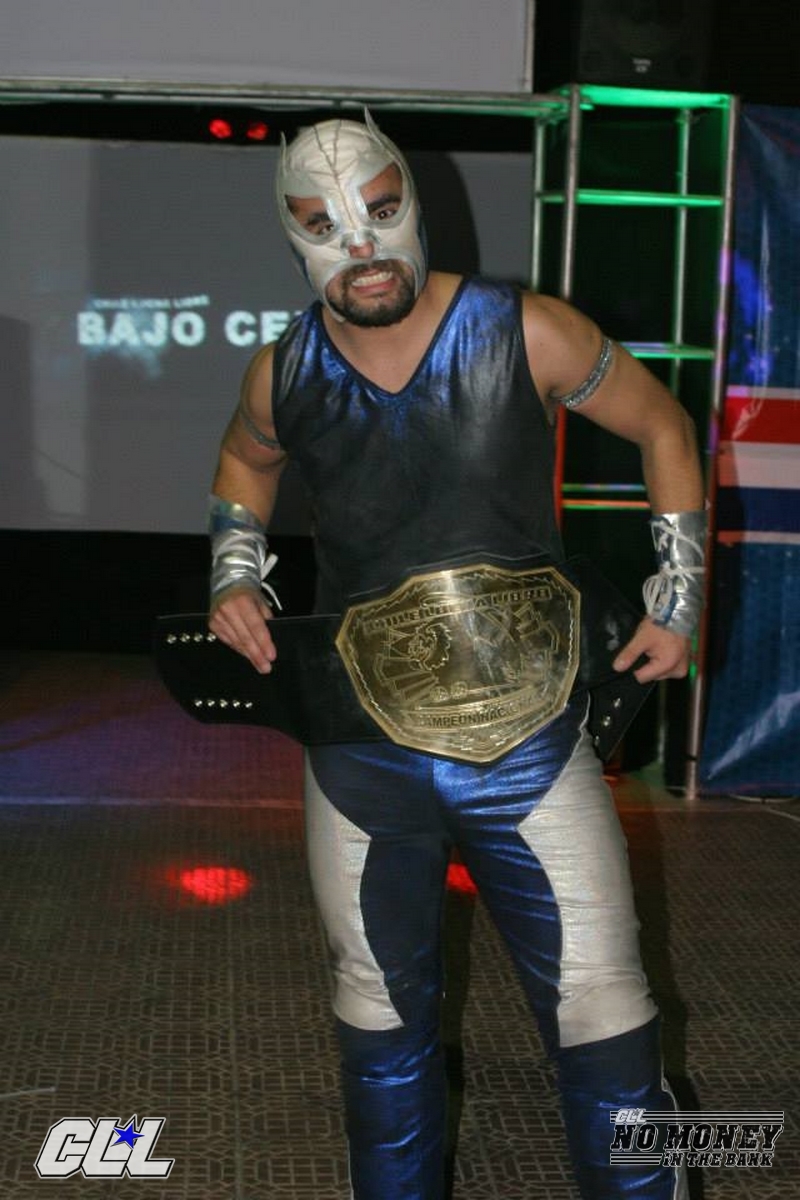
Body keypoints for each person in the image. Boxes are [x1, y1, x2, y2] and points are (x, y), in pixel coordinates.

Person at [207, 113, 706, 1200]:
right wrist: (233, 573)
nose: (361, 245)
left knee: (606, 1019)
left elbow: (663, 426)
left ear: (413, 205)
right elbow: (246, 463)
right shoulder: (281, 371)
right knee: (378, 1026)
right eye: (324, 226)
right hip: (358, 751)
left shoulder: (526, 329)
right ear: (292, 238)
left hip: (529, 746)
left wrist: (679, 599)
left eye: (380, 211)